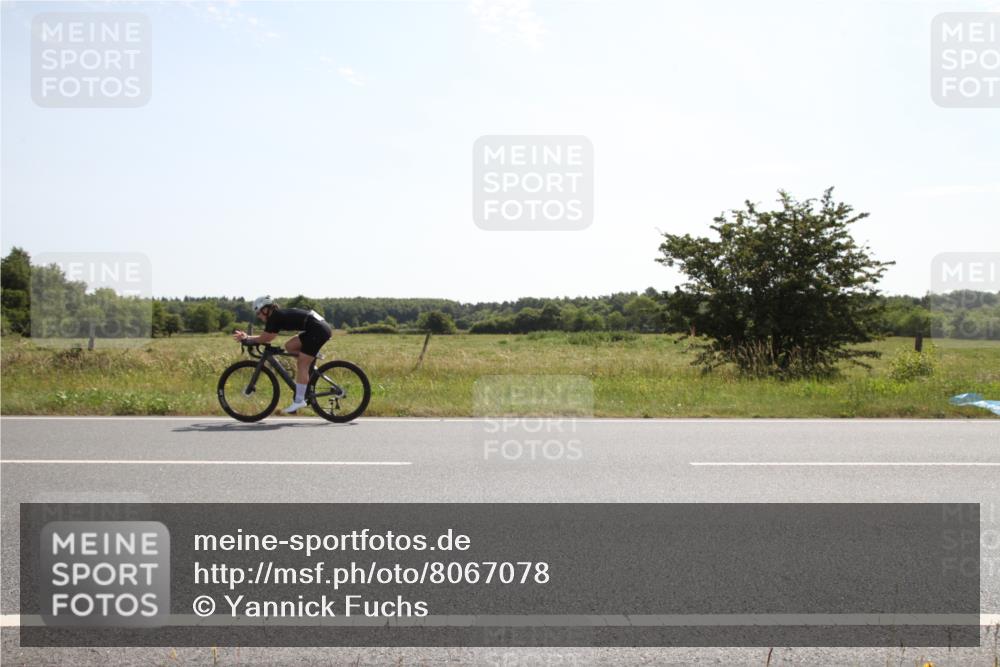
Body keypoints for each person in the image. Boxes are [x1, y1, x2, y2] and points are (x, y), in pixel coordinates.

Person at [232, 296, 332, 414]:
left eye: (259, 313)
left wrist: (247, 338)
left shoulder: (275, 317)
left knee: (302, 364)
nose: (258, 316)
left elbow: (267, 338)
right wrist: (249, 338)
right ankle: (310, 355)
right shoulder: (276, 315)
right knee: (290, 346)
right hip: (316, 328)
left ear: (266, 309)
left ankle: (299, 400)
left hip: (317, 330)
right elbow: (266, 337)